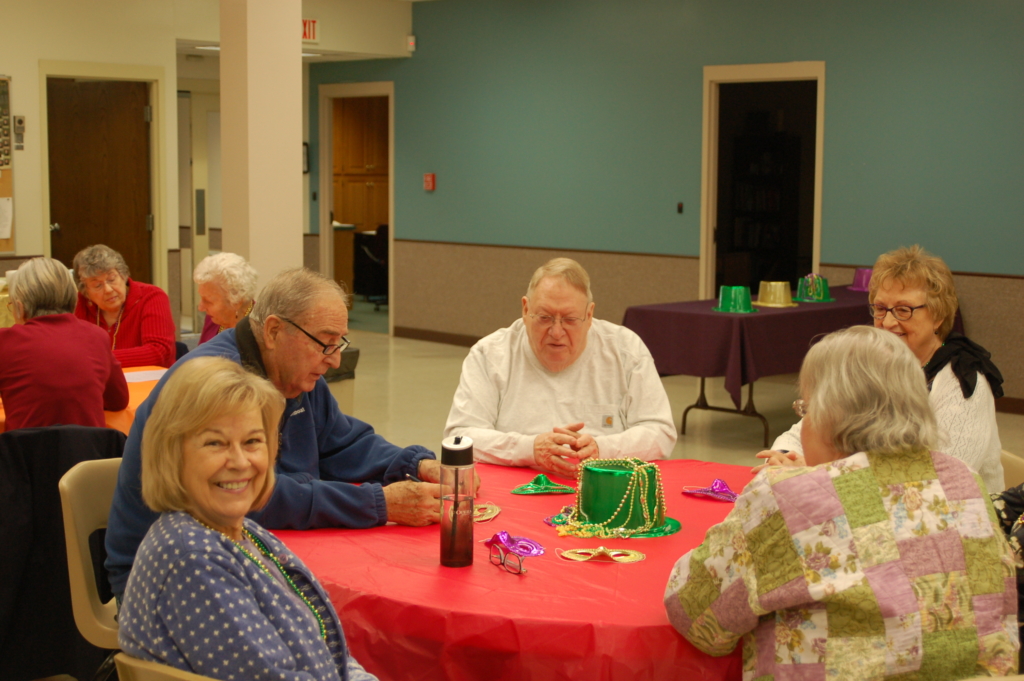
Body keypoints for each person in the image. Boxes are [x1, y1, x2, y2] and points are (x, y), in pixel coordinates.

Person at [665, 326, 1018, 678]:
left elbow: (695, 615)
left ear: (830, 413)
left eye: (805, 409)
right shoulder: (963, 481)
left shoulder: (789, 498)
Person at [106, 267, 442, 597]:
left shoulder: (298, 378)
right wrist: (377, 503)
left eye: (340, 343)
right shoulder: (216, 383)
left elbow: (344, 443)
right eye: (325, 342)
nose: (336, 360)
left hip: (248, 557)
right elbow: (251, 496)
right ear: (273, 331)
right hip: (174, 579)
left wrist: (413, 465)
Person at [118, 356, 377, 681]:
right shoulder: (193, 559)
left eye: (253, 441)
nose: (240, 462)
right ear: (173, 453)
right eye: (215, 443)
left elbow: (331, 659)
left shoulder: (238, 531)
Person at [758, 245, 1004, 492]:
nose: (887, 322)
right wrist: (785, 457)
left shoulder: (963, 380)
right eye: (880, 308)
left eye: (903, 310)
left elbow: (945, 479)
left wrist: (816, 472)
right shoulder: (869, 366)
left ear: (938, 315)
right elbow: (804, 430)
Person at [444, 257, 675, 477]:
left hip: (603, 491)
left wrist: (601, 448)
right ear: (525, 310)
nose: (556, 332)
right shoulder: (490, 354)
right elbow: (459, 437)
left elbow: (660, 432)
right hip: (513, 493)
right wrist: (529, 448)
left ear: (590, 314)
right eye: (544, 317)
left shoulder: (625, 350)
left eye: (570, 319)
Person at [0, 257, 128, 431]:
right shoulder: (96, 336)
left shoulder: (5, 341)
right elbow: (118, 400)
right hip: (89, 455)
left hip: (23, 456)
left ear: (20, 308)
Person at [73, 244, 176, 368]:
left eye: (111, 279)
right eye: (97, 285)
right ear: (85, 291)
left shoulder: (151, 296)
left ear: (123, 275)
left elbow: (158, 352)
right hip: (98, 383)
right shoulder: (80, 304)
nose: (108, 289)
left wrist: (98, 359)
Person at [193, 251, 258, 344]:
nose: (200, 308)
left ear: (237, 301)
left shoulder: (260, 328)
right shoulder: (213, 319)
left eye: (208, 301)